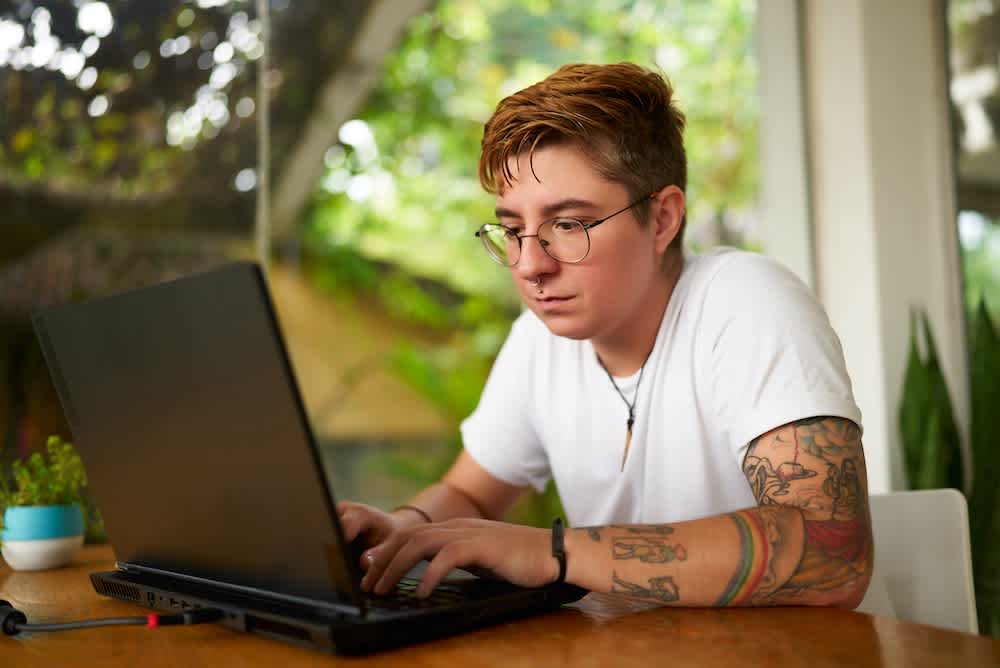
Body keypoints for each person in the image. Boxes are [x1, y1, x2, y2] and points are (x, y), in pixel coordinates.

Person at [338, 62, 872, 608]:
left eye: (568, 225)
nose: (529, 266)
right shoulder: (539, 340)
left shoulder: (748, 301)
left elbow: (835, 556)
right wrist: (401, 529)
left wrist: (555, 554)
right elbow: (470, 493)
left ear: (662, 218)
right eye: (514, 230)